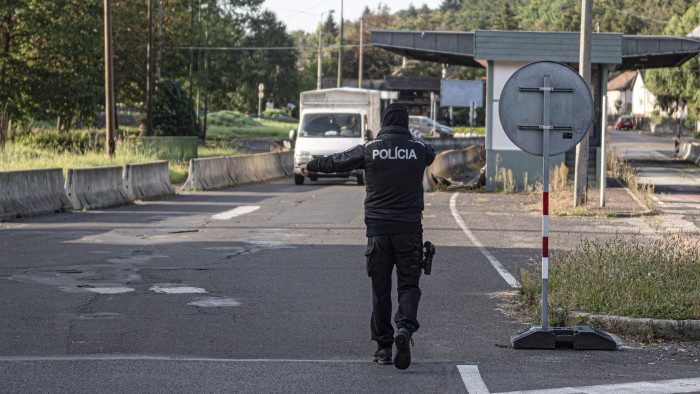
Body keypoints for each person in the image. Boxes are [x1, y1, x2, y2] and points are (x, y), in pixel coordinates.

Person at [297, 103, 436, 370]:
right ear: (406, 123)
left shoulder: (370, 149)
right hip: (409, 232)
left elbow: (338, 160)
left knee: (380, 291)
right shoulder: (419, 150)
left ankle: (383, 349)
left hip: (378, 232)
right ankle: (404, 330)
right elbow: (430, 152)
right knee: (409, 286)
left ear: (383, 121)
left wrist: (310, 166)